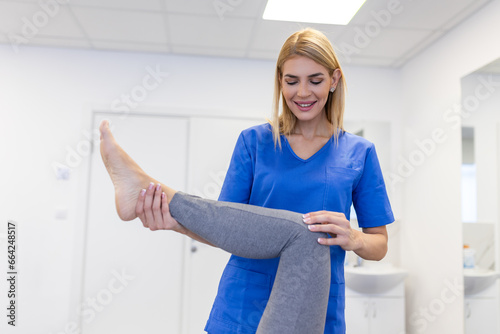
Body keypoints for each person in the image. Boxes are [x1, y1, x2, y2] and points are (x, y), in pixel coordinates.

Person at [101, 27, 394, 334]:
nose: (302, 93)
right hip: (245, 302)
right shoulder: (254, 142)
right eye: (291, 81)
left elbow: (380, 244)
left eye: (315, 80)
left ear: (334, 80)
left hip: (315, 304)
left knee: (305, 235)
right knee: (285, 228)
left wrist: (356, 238)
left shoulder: (358, 152)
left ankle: (144, 184)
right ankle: (146, 188)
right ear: (279, 81)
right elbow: (227, 226)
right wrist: (175, 222)